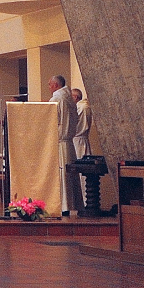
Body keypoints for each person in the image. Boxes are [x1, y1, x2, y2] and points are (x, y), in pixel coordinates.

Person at [49, 75, 84, 214]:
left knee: (62, 176)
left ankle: (63, 206)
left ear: (56, 85)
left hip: (60, 142)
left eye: (50, 84)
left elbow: (51, 121)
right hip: (69, 143)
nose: (49, 87)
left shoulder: (56, 99)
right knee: (70, 177)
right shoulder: (69, 98)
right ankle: (72, 204)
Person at [71, 87, 92, 159]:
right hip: (82, 139)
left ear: (75, 97)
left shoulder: (80, 107)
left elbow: (73, 123)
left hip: (77, 140)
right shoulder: (86, 106)